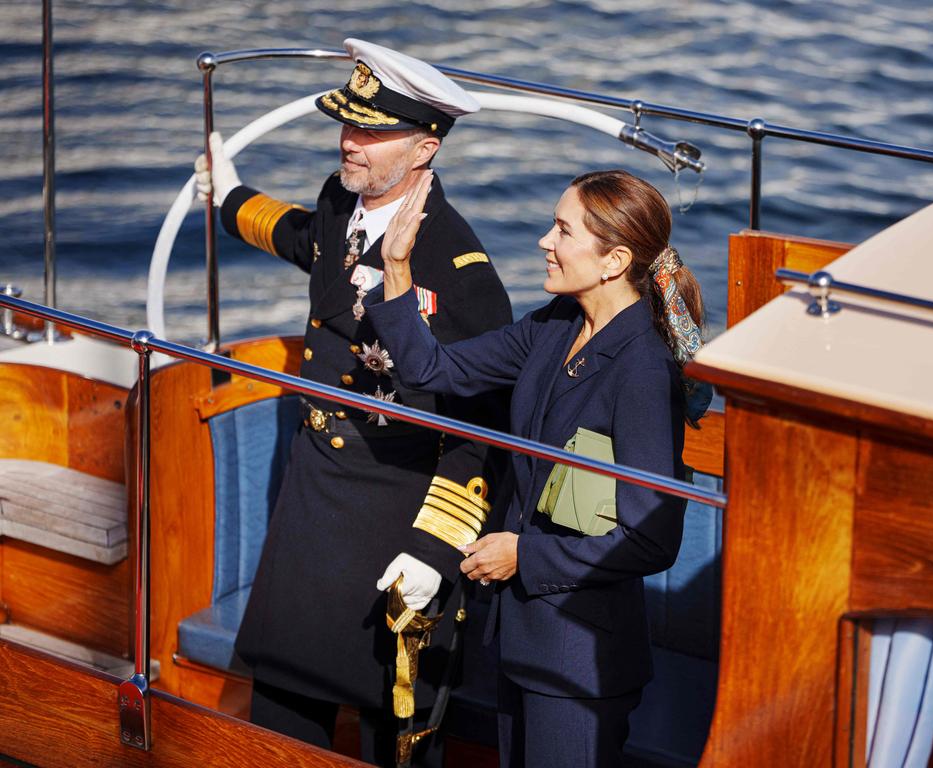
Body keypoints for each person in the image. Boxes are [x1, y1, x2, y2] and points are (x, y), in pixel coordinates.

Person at [194, 39, 512, 766]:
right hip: (312, 498)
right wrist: (230, 198)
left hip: (394, 518)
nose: (350, 142)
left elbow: (485, 426)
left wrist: (434, 550)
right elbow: (309, 241)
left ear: (425, 147)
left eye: (372, 131)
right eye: (348, 124)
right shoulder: (343, 197)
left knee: (392, 736)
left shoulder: (457, 269)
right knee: (280, 712)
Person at [367, 167, 711, 767]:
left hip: (581, 659)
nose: (543, 243)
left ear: (614, 260)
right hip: (523, 641)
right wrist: (397, 268)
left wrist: (523, 555)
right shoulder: (553, 328)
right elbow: (432, 371)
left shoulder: (642, 371)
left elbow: (652, 539)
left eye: (562, 230)